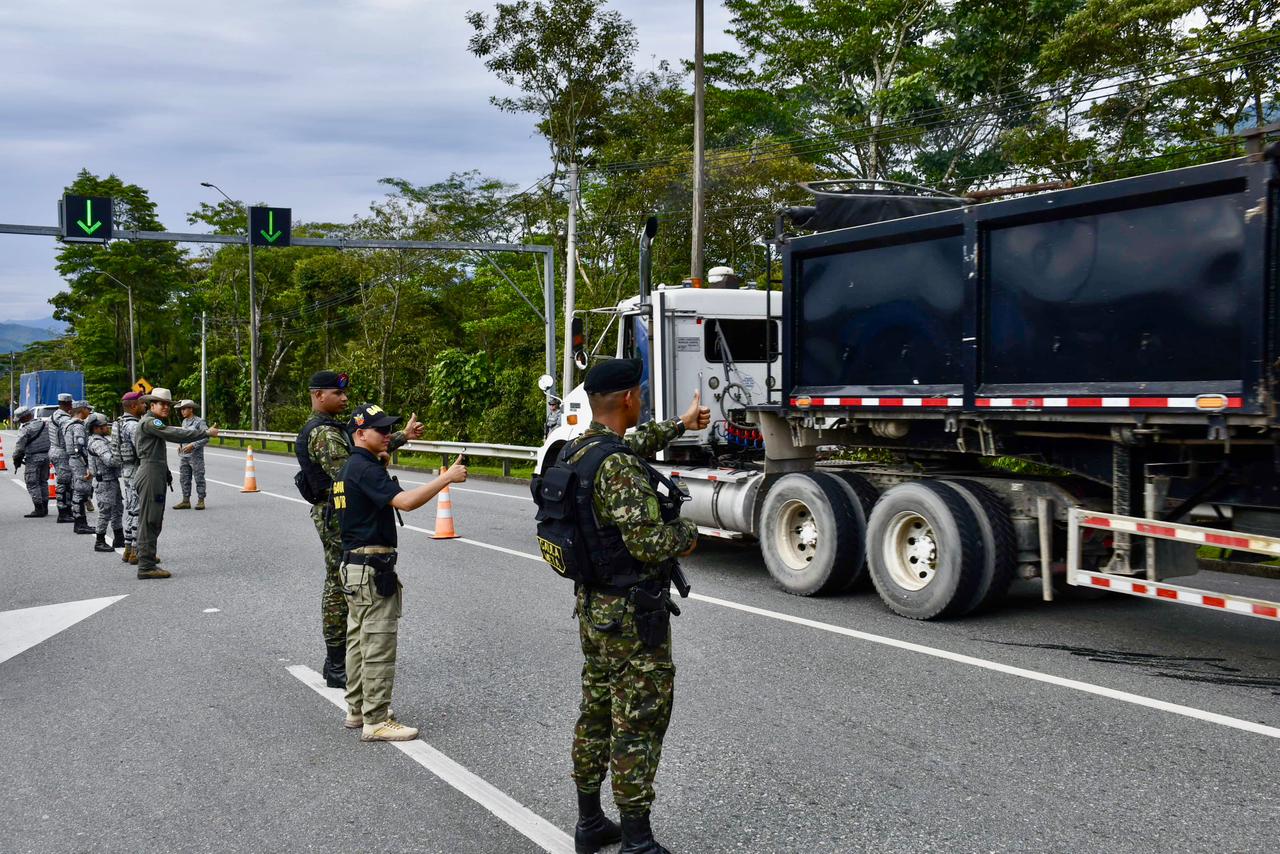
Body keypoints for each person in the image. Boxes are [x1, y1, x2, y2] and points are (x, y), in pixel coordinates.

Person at [560, 358, 708, 854]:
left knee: (596, 711)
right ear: (628, 398)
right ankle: (638, 842)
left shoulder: (580, 450)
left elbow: (630, 445)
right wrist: (690, 535)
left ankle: (589, 824)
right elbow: (647, 542)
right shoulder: (618, 465)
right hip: (631, 613)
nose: (641, 399)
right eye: (639, 392)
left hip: (594, 608)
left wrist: (681, 425)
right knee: (638, 722)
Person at [333, 403, 466, 742]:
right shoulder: (365, 469)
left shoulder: (351, 466)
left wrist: (402, 436)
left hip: (354, 567)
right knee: (377, 642)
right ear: (361, 434)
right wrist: (445, 479)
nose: (387, 434)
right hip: (371, 569)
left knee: (358, 641)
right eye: (381, 430)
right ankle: (376, 720)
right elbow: (405, 502)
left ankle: (358, 708)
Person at [295, 370, 423, 689]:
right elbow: (352, 471)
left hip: (342, 509)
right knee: (343, 583)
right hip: (338, 513)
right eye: (337, 394)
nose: (344, 398)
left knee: (347, 582)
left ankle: (345, 659)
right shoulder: (323, 433)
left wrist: (401, 437)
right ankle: (338, 662)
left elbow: (364, 450)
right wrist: (381, 460)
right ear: (318, 395)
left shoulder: (334, 429)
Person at [132, 388, 218, 579]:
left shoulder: (152, 422)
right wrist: (205, 432)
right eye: (162, 404)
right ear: (151, 405)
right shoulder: (151, 422)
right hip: (150, 473)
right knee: (150, 519)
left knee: (153, 517)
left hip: (154, 471)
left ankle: (147, 557)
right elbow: (176, 435)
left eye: (168, 405)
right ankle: (146, 565)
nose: (166, 408)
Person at [114, 392, 145, 564]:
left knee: (131, 510)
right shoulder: (133, 426)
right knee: (138, 512)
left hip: (126, 470)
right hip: (136, 470)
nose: (145, 406)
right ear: (134, 406)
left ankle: (127, 548)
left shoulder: (119, 422)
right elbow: (141, 450)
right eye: (142, 403)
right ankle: (135, 551)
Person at [86, 413, 124, 553]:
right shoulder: (98, 443)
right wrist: (123, 455)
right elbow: (110, 461)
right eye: (104, 426)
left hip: (111, 481)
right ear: (96, 428)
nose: (107, 428)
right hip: (105, 482)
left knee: (117, 510)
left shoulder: (102, 440)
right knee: (105, 512)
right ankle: (99, 541)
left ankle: (119, 538)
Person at [11, 406, 51, 517]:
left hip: (33, 458)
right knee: (43, 482)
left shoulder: (26, 429)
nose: (20, 421)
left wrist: (16, 459)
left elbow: (19, 447)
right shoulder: (45, 424)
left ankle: (38, 509)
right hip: (46, 456)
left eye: (21, 419)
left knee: (32, 483)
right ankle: (45, 507)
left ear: (26, 417)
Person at [64, 400, 95, 535]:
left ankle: (80, 522)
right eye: (88, 409)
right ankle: (80, 524)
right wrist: (87, 465)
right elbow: (79, 447)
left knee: (78, 491)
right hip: (79, 461)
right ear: (82, 410)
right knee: (80, 492)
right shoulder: (78, 426)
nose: (89, 412)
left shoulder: (68, 424)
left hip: (73, 460)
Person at [172, 400, 209, 510]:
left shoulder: (199, 422)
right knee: (184, 478)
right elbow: (183, 435)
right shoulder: (184, 422)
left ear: (191, 409)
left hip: (195, 456)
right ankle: (185, 500)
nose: (182, 411)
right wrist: (180, 445)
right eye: (181, 409)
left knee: (199, 477)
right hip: (184, 456)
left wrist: (193, 445)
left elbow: (206, 437)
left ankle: (201, 500)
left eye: (184, 409)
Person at [49, 393, 74, 522]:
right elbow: (69, 434)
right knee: (64, 482)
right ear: (68, 404)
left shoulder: (55, 414)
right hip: (61, 452)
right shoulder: (63, 418)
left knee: (66, 482)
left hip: (55, 450)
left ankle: (67, 510)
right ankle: (63, 512)